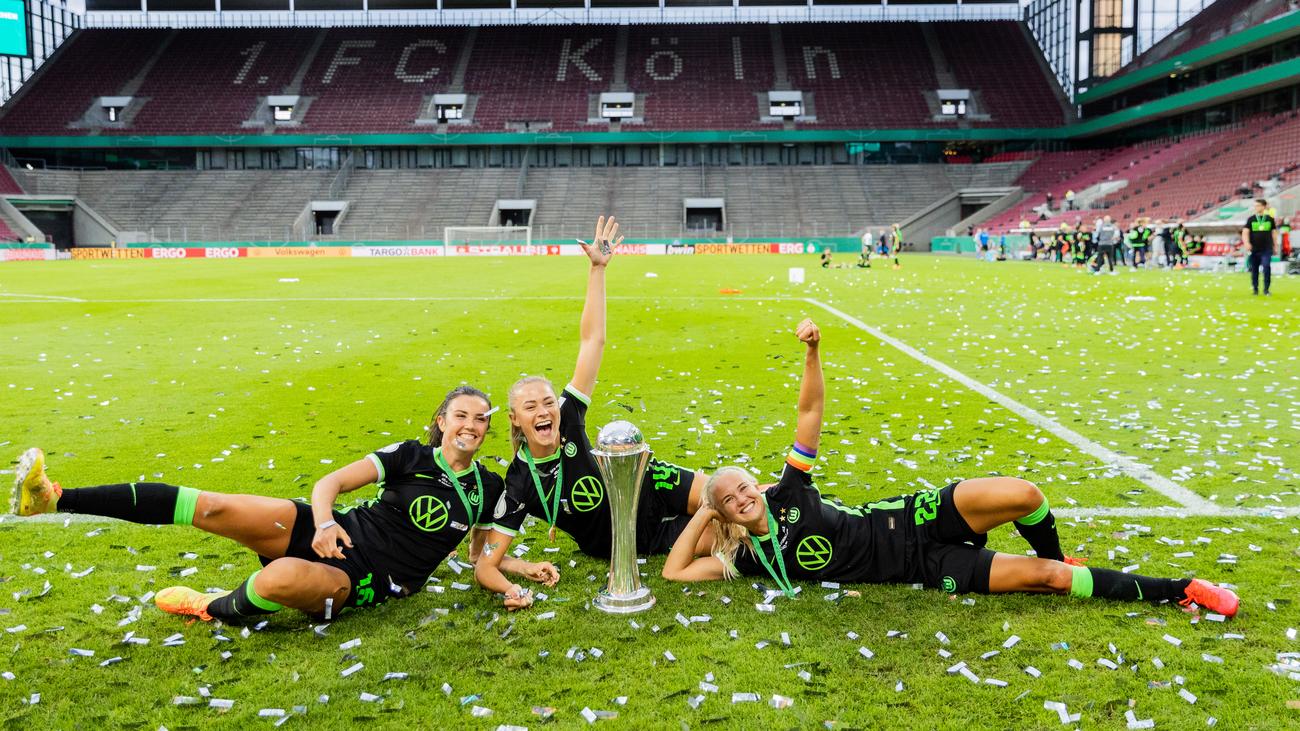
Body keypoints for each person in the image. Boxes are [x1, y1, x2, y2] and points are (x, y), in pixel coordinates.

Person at [661, 320, 1240, 617]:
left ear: (756, 482)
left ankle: (1054, 548)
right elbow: (673, 575)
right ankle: (1181, 590)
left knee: (1025, 493)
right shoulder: (744, 561)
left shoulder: (789, 489)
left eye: (742, 483)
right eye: (728, 497)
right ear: (724, 510)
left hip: (916, 518)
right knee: (1049, 584)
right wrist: (705, 509)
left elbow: (809, 411)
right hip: (928, 565)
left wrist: (812, 353)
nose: (741, 495)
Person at [9, 387, 560, 623]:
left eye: (481, 418)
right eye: (461, 415)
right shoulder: (410, 455)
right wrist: (322, 523)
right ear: (442, 421)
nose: (471, 425)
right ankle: (54, 497)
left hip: (369, 578)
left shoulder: (490, 489)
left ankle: (214, 608)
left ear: (490, 429)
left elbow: (480, 556)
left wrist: (520, 568)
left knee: (280, 581)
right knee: (216, 508)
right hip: (334, 529)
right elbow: (330, 483)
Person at [475, 215, 709, 595]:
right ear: (515, 419)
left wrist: (597, 271)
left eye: (548, 402)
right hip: (630, 540)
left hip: (650, 484)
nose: (544, 411)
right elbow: (487, 563)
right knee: (727, 529)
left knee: (735, 495)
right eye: (531, 407)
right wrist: (513, 587)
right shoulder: (519, 483)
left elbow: (592, 342)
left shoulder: (567, 415)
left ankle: (795, 502)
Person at [1240, 198, 1279, 295]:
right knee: (1254, 269)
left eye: (1258, 205)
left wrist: (1275, 246)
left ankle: (1266, 289)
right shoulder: (1251, 219)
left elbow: (1274, 233)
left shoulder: (1270, 219)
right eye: (1255, 206)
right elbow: (1245, 232)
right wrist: (1246, 243)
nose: (1256, 207)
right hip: (1254, 249)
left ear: (1264, 206)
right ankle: (1255, 289)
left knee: (1266, 266)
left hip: (1267, 248)